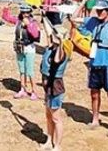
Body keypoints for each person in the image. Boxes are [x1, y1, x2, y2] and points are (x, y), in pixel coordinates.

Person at [76, 0, 108, 137]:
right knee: (94, 94)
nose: (98, 13)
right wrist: (83, 1)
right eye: (97, 10)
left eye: (101, 10)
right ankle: (95, 120)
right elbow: (74, 18)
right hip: (95, 63)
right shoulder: (93, 21)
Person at [39, 19, 71, 151]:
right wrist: (43, 15)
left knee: (56, 118)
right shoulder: (50, 47)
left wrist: (61, 41)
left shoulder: (62, 51)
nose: (53, 36)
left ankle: (57, 146)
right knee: (48, 116)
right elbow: (47, 30)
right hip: (47, 87)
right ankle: (48, 141)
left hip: (56, 87)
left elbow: (57, 59)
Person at [9, 5, 40, 100]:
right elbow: (8, 18)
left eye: (27, 13)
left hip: (29, 48)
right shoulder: (18, 21)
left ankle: (34, 90)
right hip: (19, 48)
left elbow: (35, 34)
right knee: (22, 70)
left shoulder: (33, 22)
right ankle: (23, 89)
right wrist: (5, 9)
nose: (25, 15)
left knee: (30, 71)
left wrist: (28, 25)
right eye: (23, 13)